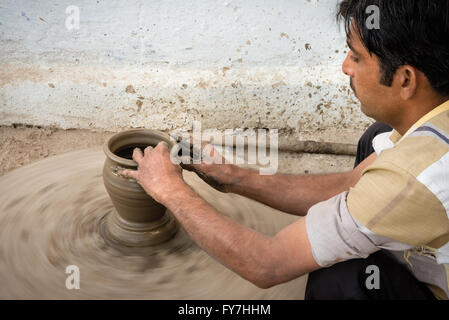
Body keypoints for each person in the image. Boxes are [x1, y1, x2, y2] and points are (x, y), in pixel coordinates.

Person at [119, 0, 449, 300]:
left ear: (406, 80)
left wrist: (169, 190)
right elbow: (351, 184)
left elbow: (267, 264)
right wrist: (235, 178)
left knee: (341, 278)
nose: (346, 67)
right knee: (376, 137)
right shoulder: (430, 119)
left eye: (357, 56)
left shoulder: (410, 177)